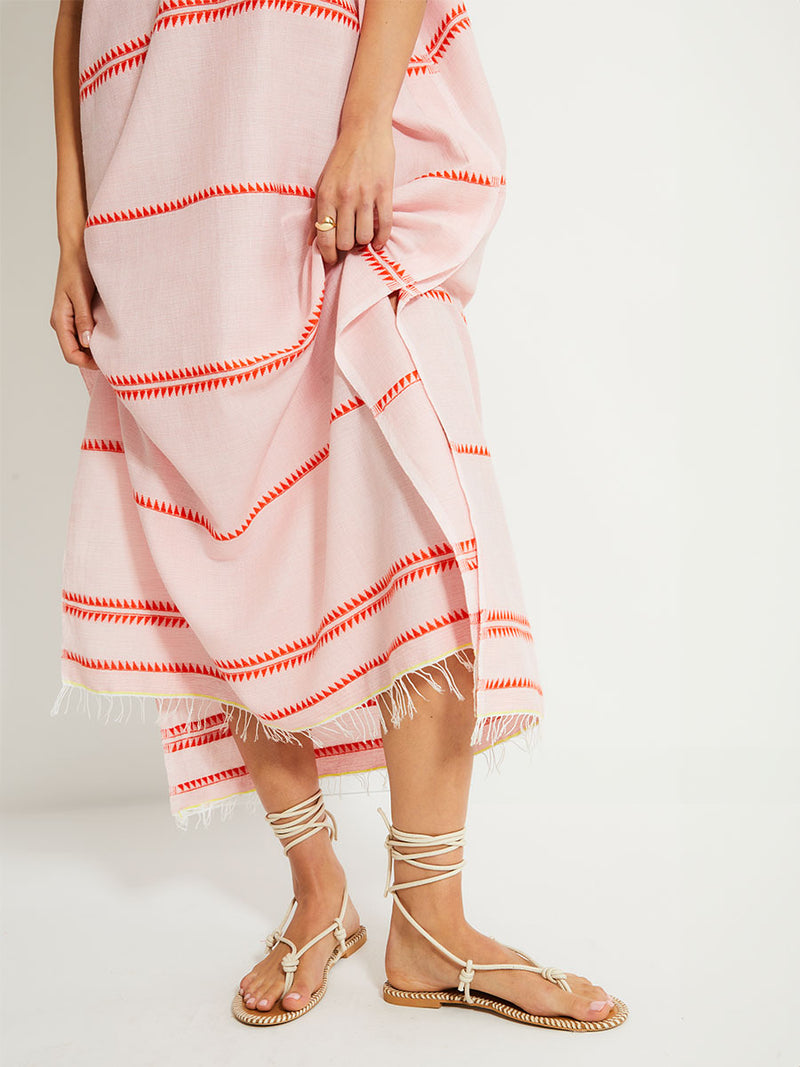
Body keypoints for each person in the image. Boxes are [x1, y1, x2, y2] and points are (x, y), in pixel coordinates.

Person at [51, 0, 627, 1032]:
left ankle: (433, 920)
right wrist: (67, 225)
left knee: (416, 506)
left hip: (320, 110)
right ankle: (319, 887)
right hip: (157, 158)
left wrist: (367, 118)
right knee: (220, 532)